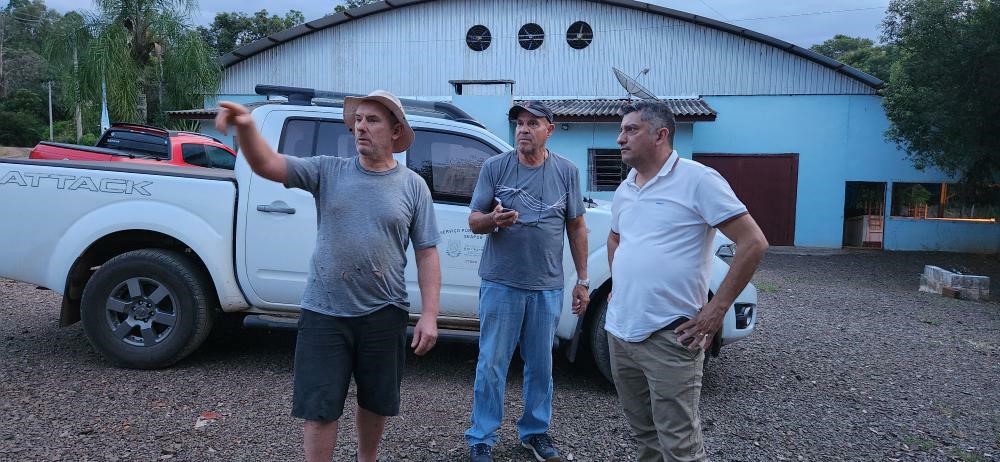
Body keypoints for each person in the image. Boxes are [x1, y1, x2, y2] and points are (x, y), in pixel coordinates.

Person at [214, 90, 442, 462]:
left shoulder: (413, 186)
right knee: (319, 407)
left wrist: (429, 315)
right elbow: (268, 164)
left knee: (376, 401)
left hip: (385, 311)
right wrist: (246, 128)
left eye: (372, 120)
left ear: (396, 131)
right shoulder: (327, 170)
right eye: (358, 120)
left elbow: (427, 252)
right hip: (324, 311)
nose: (361, 127)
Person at [606, 100, 768, 462]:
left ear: (660, 135)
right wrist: (620, 285)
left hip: (671, 335)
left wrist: (717, 309)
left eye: (631, 129)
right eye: (621, 130)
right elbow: (615, 238)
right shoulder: (626, 188)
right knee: (644, 436)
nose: (620, 138)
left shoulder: (698, 180)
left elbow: (753, 242)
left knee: (679, 445)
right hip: (620, 332)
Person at [464, 101, 590, 462]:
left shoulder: (566, 171)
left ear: (549, 130)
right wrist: (493, 220)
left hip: (546, 286)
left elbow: (576, 226)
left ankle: (534, 432)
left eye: (533, 123)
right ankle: (482, 436)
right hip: (501, 282)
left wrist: (582, 279)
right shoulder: (495, 167)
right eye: (520, 123)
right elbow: (473, 221)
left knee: (540, 365)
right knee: (492, 362)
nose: (523, 129)